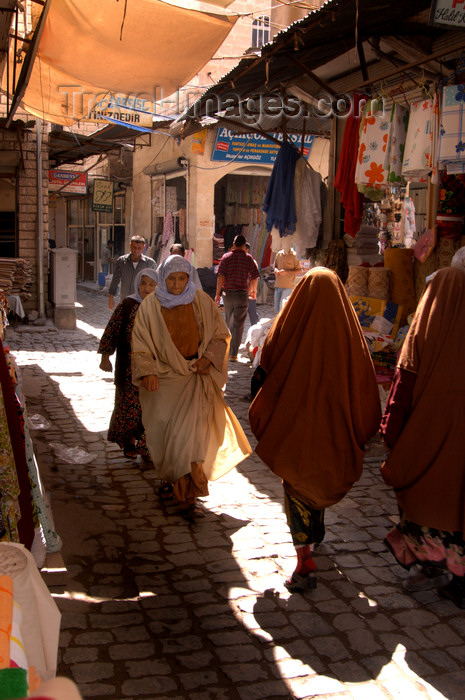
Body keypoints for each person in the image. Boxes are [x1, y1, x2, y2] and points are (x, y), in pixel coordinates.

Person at [249, 267, 381, 592]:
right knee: (321, 470)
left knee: (296, 482)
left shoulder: (289, 324)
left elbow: (263, 369)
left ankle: (305, 560)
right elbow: (366, 384)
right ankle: (316, 536)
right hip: (334, 428)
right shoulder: (351, 334)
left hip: (294, 427)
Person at [131, 254, 251, 520]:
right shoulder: (150, 306)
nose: (175, 285)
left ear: (189, 279)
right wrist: (148, 371)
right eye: (171, 279)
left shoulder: (201, 302)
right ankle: (171, 481)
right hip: (164, 381)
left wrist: (208, 357)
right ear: (163, 278)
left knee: (191, 439)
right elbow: (140, 342)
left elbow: (221, 334)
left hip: (196, 378)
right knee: (166, 435)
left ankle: (189, 496)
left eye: (181, 278)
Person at [379, 265, 465, 608]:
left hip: (427, 439)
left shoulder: (421, 335)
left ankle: (429, 565)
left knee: (425, 499)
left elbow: (401, 390)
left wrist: (392, 435)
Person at [98, 269, 158, 462]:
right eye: (143, 283)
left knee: (150, 407)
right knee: (128, 404)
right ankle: (130, 441)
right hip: (128, 365)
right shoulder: (127, 304)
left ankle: (148, 447)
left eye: (151, 284)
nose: (146, 288)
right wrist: (105, 356)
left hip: (152, 367)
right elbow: (113, 329)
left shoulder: (161, 306)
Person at [215, 234, 260, 361]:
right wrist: (253, 291)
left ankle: (227, 350)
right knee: (239, 324)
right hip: (241, 294)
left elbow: (220, 276)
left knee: (229, 320)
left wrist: (217, 294)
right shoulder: (248, 258)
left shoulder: (226, 257)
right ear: (244, 245)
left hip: (228, 294)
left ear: (234, 245)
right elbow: (255, 276)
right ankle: (234, 354)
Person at [108, 235, 156, 310]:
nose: (136, 250)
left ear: (143, 247)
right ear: (130, 246)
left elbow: (155, 284)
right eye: (134, 247)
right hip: (125, 301)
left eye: (139, 248)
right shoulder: (121, 261)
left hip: (142, 303)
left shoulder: (150, 263)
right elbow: (115, 280)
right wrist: (111, 297)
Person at [273, 246, 302, 313]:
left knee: (282, 309)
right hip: (278, 285)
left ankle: (281, 323)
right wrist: (276, 270)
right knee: (276, 309)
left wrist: (287, 272)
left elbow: (299, 270)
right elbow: (275, 266)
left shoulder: (295, 255)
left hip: (289, 286)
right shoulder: (279, 254)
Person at [245, 242, 259, 326]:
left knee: (252, 314)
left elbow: (254, 278)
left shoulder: (252, 262)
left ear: (247, 250)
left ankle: (256, 332)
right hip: (240, 292)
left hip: (249, 291)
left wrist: (252, 290)